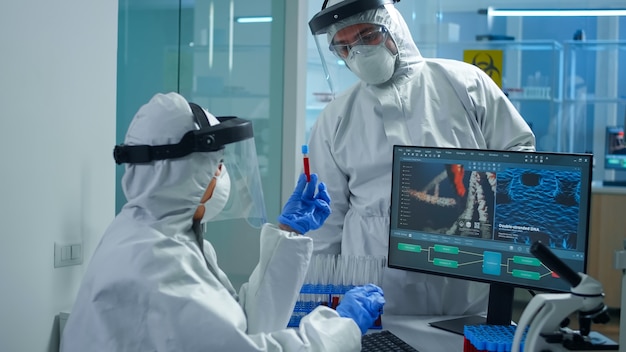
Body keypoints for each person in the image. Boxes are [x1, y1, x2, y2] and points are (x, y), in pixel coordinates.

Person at [60, 92, 385, 352]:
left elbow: (238, 326)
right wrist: (341, 328)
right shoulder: (158, 264)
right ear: (185, 175)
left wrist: (288, 234)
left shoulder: (156, 233)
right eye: (218, 165)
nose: (224, 176)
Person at [306, 0, 536, 316]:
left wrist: (481, 204)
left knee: (460, 338)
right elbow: (327, 221)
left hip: (463, 270)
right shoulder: (335, 119)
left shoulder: (464, 84)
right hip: (375, 281)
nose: (358, 53)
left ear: (393, 28)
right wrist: (320, 302)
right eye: (345, 48)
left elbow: (519, 156)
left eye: (367, 36)